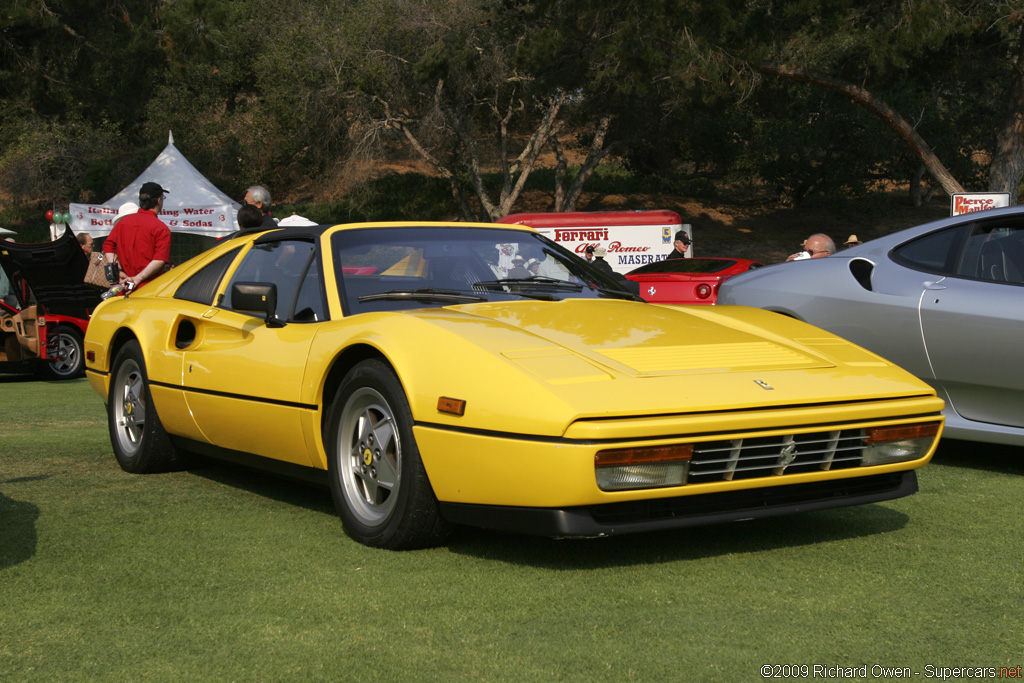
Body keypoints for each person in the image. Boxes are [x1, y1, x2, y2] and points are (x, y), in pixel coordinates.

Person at [103, 184, 171, 289]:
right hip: (149, 288)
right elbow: (159, 260)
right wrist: (137, 278)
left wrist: (118, 270)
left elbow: (108, 245)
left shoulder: (123, 223)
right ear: (159, 200)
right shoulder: (161, 228)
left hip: (123, 286)